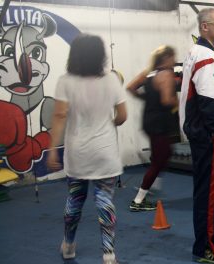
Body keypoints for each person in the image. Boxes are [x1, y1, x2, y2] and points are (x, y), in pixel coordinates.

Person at [47, 34, 127, 264]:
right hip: (105, 152)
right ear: (101, 56)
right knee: (104, 200)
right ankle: (109, 254)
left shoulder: (65, 81)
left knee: (74, 200)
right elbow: (122, 116)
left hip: (78, 152)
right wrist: (110, 124)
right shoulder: (111, 80)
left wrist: (53, 149)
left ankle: (69, 246)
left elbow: (60, 115)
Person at [178, 8, 214, 263]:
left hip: (200, 132)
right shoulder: (207, 57)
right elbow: (209, 102)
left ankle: (212, 232)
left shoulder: (196, 52)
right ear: (204, 28)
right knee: (209, 192)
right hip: (209, 135)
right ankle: (206, 247)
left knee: (209, 190)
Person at [126, 45, 179, 211]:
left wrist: (146, 98)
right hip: (160, 123)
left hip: (149, 120)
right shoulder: (167, 74)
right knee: (158, 161)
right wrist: (180, 102)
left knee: (163, 155)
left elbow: (130, 87)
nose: (175, 60)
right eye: (173, 57)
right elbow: (166, 101)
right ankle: (139, 200)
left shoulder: (148, 73)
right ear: (166, 58)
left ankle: (151, 186)